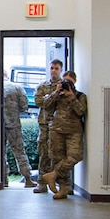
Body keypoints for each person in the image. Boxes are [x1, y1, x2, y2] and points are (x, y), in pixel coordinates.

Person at [40, 70, 87, 200]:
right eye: (64, 81)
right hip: (56, 130)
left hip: (74, 131)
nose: (66, 84)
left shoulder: (79, 96)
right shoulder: (57, 95)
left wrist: (71, 96)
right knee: (58, 159)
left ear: (75, 82)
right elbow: (46, 105)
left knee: (75, 156)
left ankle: (53, 175)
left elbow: (81, 111)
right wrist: (56, 92)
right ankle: (63, 189)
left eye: (69, 81)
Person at [33, 59, 65, 192]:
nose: (53, 71)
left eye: (56, 68)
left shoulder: (65, 86)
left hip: (59, 125)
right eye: (52, 68)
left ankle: (63, 184)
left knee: (59, 154)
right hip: (45, 124)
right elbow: (40, 102)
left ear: (61, 70)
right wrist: (53, 95)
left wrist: (49, 97)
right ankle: (42, 182)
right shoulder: (42, 86)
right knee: (44, 152)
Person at [0, 78, 33, 188]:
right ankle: (27, 179)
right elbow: (24, 105)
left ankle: (3, 179)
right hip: (13, 124)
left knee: (1, 153)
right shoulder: (17, 87)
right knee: (19, 151)